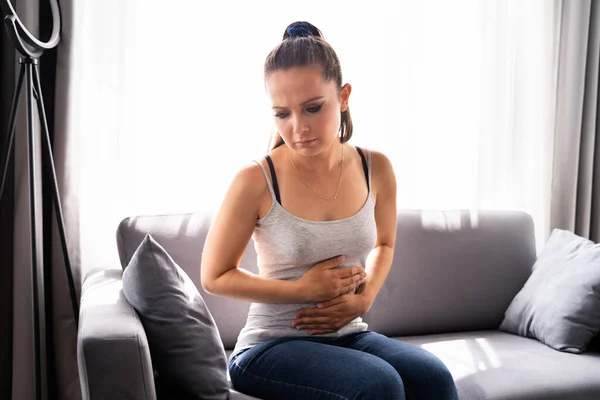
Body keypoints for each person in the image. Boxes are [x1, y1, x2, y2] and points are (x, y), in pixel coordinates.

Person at [201, 21, 459, 400]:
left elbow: (384, 244)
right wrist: (300, 290)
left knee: (433, 377)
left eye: (312, 108)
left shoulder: (377, 168)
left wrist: (364, 298)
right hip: (268, 347)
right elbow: (214, 276)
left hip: (349, 334)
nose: (298, 127)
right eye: (282, 114)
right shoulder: (256, 179)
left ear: (343, 96)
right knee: (379, 385)